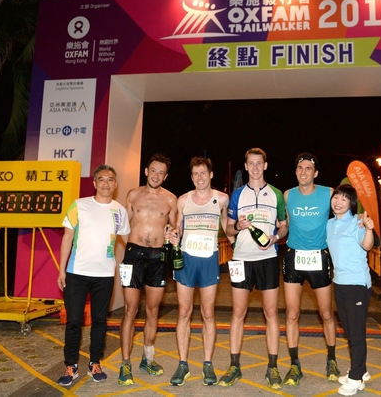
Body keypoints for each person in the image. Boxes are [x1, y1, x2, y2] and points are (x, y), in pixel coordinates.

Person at [218, 148, 288, 389]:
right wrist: (238, 226)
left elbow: (284, 225)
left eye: (259, 163)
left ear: (265, 166)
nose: (255, 167)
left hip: (268, 258)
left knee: (271, 313)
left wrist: (276, 237)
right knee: (238, 313)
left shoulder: (276, 194)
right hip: (241, 259)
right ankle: (234, 366)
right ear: (246, 166)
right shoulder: (237, 195)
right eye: (251, 163)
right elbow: (228, 229)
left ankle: (273, 367)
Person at [56, 165, 130, 387]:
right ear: (95, 183)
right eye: (102, 179)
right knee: (74, 321)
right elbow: (67, 238)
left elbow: (129, 241)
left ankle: (94, 363)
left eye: (110, 179)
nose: (106, 183)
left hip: (105, 275)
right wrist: (61, 269)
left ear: (115, 184)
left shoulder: (120, 211)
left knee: (100, 321)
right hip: (76, 273)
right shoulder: (79, 205)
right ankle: (71, 366)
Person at [166, 157, 229, 386]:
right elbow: (177, 228)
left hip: (209, 259)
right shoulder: (183, 200)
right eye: (195, 174)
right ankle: (183, 364)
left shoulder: (222, 199)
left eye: (203, 173)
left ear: (211, 175)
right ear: (191, 177)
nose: (199, 177)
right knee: (184, 312)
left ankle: (207, 364)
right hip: (187, 259)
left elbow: (227, 228)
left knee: (208, 313)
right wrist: (172, 235)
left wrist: (237, 248)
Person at [117, 154, 178, 386]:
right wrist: (130, 247)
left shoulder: (170, 199)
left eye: (161, 172)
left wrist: (174, 235)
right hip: (134, 255)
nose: (156, 175)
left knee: (152, 310)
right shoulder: (133, 195)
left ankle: (148, 359)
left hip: (157, 258)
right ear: (146, 171)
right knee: (130, 310)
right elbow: (123, 225)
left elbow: (175, 228)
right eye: (153, 170)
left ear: (166, 176)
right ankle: (125, 363)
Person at [282, 153, 340, 386]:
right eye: (300, 168)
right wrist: (273, 235)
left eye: (308, 168)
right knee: (291, 314)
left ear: (316, 173)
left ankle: (332, 360)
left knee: (326, 313)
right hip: (293, 256)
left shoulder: (328, 193)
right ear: (295, 171)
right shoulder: (288, 195)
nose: (303, 172)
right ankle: (294, 365)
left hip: (319, 257)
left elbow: (343, 214)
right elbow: (285, 225)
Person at [326, 184, 375, 396]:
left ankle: (356, 378)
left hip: (357, 284)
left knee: (355, 331)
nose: (338, 202)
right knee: (349, 330)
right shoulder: (330, 224)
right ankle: (361, 370)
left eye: (344, 199)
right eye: (336, 197)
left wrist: (369, 228)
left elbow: (367, 245)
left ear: (351, 203)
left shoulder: (356, 222)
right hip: (339, 282)